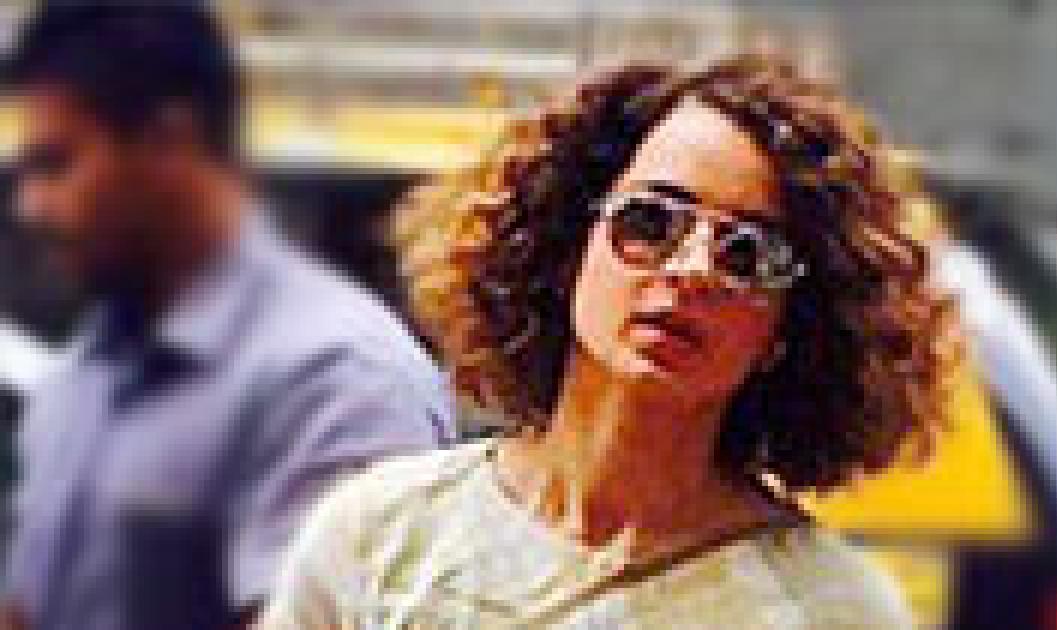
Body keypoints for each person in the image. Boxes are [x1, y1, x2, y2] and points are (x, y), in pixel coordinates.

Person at [260, 54, 960, 628]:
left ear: (788, 327)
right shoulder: (378, 535)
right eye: (651, 222)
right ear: (569, 245)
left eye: (748, 255)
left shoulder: (832, 611)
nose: (691, 270)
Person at [2, 3, 454, 629]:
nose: (30, 205)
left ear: (168, 140)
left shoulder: (337, 381)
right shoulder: (91, 368)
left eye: (56, 164)